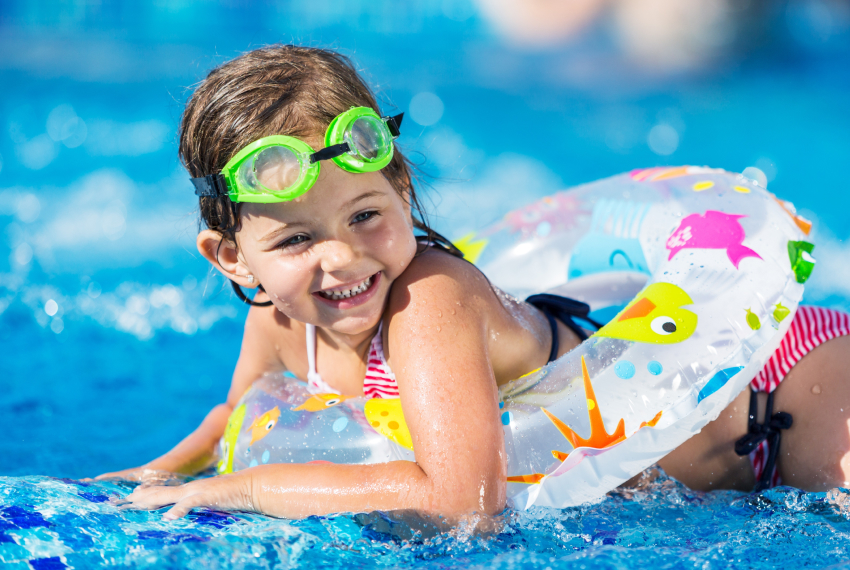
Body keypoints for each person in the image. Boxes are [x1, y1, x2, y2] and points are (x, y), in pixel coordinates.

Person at [113, 45, 850, 522]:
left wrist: (243, 489)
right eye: (297, 239)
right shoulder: (275, 326)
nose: (343, 258)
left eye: (366, 215)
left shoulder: (428, 303)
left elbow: (462, 504)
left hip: (782, 392)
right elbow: (238, 418)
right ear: (232, 258)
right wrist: (158, 475)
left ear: (401, 190)